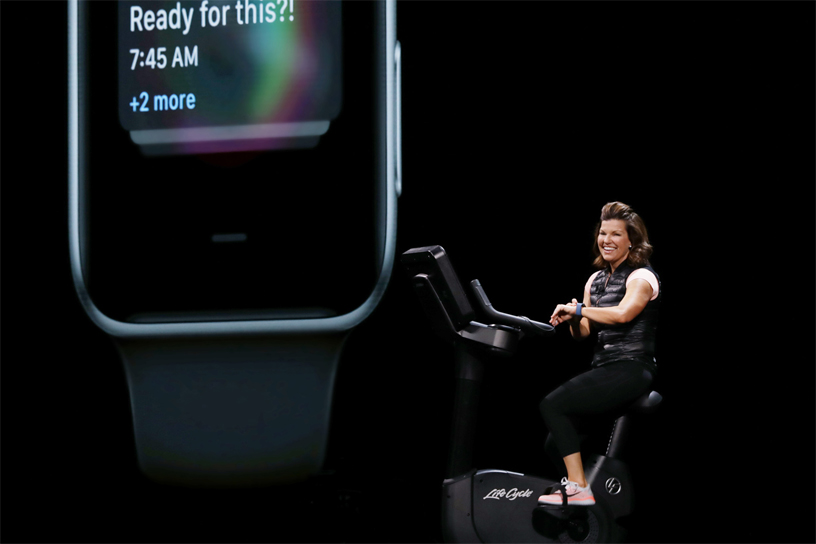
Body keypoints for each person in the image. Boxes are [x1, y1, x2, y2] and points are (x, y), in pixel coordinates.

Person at [537, 201, 661, 507]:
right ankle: (589, 496)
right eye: (602, 233)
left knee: (552, 405)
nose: (606, 240)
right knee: (555, 443)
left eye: (615, 234)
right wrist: (576, 318)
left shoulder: (642, 277)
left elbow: (622, 315)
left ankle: (579, 488)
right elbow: (583, 334)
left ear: (631, 240)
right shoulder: (595, 280)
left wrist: (579, 308)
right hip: (604, 367)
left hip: (633, 367)